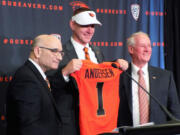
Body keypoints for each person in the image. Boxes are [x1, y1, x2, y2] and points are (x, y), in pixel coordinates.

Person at [49, 7, 128, 135]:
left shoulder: (97, 52)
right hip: (72, 124)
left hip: (96, 123)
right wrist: (65, 72)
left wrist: (115, 64)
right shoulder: (59, 52)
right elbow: (48, 86)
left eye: (93, 26)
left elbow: (100, 80)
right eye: (85, 25)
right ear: (72, 24)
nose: (90, 30)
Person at [117, 31, 180, 127]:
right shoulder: (120, 76)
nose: (147, 49)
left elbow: (175, 113)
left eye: (149, 46)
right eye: (143, 46)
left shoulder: (165, 77)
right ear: (131, 49)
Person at [6, 34, 64, 135]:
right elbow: (29, 128)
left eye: (61, 53)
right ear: (38, 51)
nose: (59, 58)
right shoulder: (26, 79)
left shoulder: (36, 75)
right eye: (54, 51)